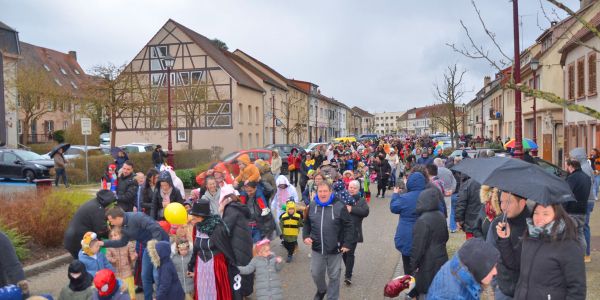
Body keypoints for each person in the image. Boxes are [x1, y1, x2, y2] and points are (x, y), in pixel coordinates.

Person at [496, 203, 586, 299]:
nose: (539, 218)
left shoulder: (568, 245)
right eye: (536, 213)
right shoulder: (529, 237)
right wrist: (504, 240)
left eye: (545, 214)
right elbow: (514, 263)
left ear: (557, 216)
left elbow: (577, 289)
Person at [99, 208, 170, 300]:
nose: (111, 223)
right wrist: (103, 243)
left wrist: (157, 246)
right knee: (144, 275)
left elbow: (155, 228)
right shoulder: (122, 227)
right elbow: (122, 242)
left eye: (111, 221)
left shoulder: (137, 217)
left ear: (117, 218)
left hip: (160, 244)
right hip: (147, 247)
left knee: (157, 275)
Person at [303, 181, 355, 300]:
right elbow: (306, 223)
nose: (322, 194)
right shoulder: (312, 205)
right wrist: (305, 236)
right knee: (316, 273)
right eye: (320, 191)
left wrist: (347, 243)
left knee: (334, 276)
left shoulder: (339, 205)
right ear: (317, 192)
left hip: (335, 249)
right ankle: (322, 290)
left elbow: (349, 225)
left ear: (330, 191)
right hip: (317, 248)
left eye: (325, 191)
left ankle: (332, 297)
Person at [187, 200, 237, 300]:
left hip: (216, 265)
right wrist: (190, 265)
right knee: (202, 290)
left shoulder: (217, 228)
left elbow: (226, 247)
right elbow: (196, 248)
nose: (193, 218)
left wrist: (232, 265)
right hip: (201, 265)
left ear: (202, 217)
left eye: (195, 216)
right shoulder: (196, 228)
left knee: (217, 292)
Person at [486, 192, 530, 299]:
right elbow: (489, 254)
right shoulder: (498, 223)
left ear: (522, 203)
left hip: (528, 290)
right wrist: (495, 283)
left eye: (509, 202)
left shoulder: (534, 224)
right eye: (501, 202)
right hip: (503, 289)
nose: (503, 207)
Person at [427, 238, 499, 300]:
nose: (495, 272)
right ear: (479, 267)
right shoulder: (450, 296)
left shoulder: (460, 269)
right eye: (491, 267)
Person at [409, 187, 449, 299]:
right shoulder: (441, 216)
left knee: (425, 291)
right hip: (442, 258)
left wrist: (413, 266)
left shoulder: (422, 220)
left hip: (427, 263)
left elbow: (418, 247)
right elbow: (446, 237)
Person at [390, 172, 427, 275]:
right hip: (424, 234)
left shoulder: (405, 198)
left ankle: (410, 285)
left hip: (406, 235)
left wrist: (395, 194)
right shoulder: (429, 196)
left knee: (408, 265)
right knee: (423, 264)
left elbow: (394, 207)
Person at [220, 193, 254, 299]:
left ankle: (240, 295)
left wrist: (220, 211)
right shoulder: (240, 208)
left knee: (238, 272)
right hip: (245, 245)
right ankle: (245, 293)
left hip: (236, 247)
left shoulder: (231, 210)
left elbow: (224, 230)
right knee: (246, 268)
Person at [64, 190, 115, 258]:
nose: (112, 205)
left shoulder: (94, 203)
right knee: (86, 263)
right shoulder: (97, 209)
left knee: (82, 263)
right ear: (107, 202)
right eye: (111, 203)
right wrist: (114, 235)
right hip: (77, 241)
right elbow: (102, 230)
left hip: (72, 237)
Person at [568, 148, 595, 262]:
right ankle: (585, 253)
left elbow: (583, 187)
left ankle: (586, 254)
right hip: (588, 201)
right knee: (583, 228)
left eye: (573, 157)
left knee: (583, 229)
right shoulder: (586, 167)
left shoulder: (584, 169)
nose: (572, 159)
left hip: (585, 201)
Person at [343, 180, 370, 285]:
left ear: (358, 189)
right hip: (342, 232)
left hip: (354, 231)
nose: (352, 189)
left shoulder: (361, 200)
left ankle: (348, 276)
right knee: (343, 253)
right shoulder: (343, 198)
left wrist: (352, 209)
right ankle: (348, 269)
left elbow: (365, 212)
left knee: (350, 253)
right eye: (350, 187)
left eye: (354, 188)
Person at [105, 228, 137, 300]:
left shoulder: (127, 244)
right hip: (116, 273)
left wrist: (133, 256)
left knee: (130, 291)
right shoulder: (110, 246)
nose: (113, 237)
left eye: (115, 235)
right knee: (120, 292)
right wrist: (112, 260)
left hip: (127, 272)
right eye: (111, 236)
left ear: (121, 235)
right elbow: (107, 257)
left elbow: (133, 253)